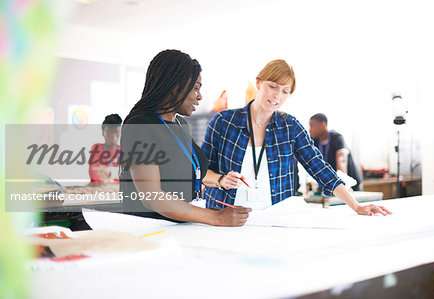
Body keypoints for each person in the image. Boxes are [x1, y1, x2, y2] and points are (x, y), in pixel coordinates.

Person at [201, 59, 391, 216]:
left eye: (285, 91)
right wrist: (221, 180)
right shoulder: (224, 122)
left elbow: (320, 168)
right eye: (272, 86)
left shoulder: (290, 126)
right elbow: (201, 172)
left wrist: (356, 206)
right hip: (226, 215)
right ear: (258, 83)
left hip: (273, 217)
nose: (277, 96)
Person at [119, 49, 251, 226]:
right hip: (151, 231)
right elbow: (152, 196)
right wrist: (214, 218)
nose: (199, 96)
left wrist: (220, 182)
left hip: (180, 227)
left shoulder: (179, 123)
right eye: (196, 88)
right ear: (174, 87)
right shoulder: (140, 126)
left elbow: (189, 169)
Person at [309, 113, 363, 191]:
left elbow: (342, 160)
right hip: (334, 185)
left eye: (312, 126)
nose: (310, 130)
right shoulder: (315, 142)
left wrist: (343, 181)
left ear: (323, 125)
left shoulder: (336, 137)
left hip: (350, 183)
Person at [88, 114, 122, 185]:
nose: (113, 134)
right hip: (100, 191)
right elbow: (95, 176)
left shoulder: (122, 150)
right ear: (103, 133)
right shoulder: (97, 148)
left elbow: (127, 177)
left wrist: (109, 172)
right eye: (110, 131)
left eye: (116, 131)